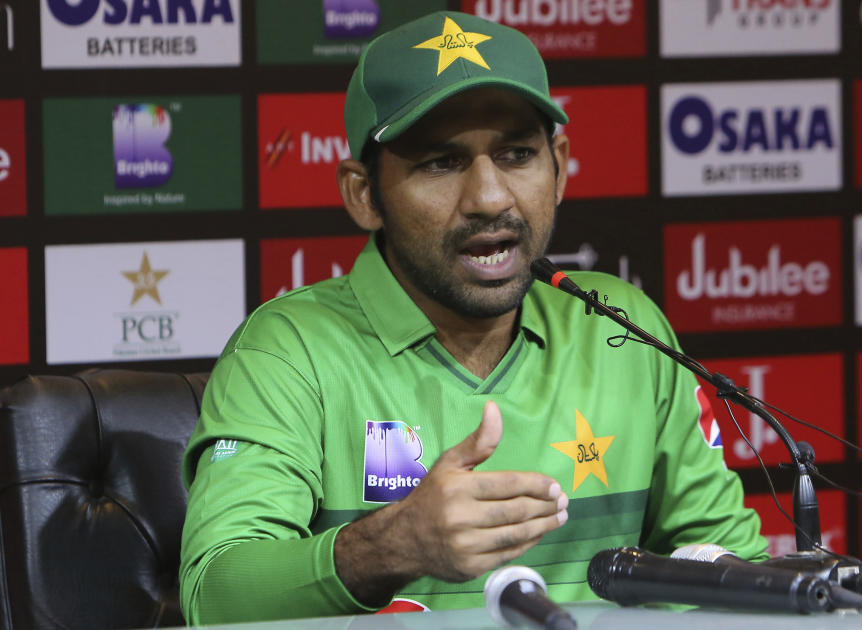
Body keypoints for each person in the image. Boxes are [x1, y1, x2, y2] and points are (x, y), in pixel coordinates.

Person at [179, 10, 767, 625]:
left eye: (517, 154)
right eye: (440, 162)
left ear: (560, 165)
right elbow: (214, 596)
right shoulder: (287, 350)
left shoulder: (622, 327)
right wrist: (393, 543)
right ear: (363, 193)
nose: (490, 197)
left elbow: (730, 569)